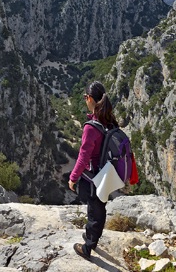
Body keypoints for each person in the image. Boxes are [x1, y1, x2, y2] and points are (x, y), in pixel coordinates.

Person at [69, 81, 118, 260]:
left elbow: (83, 156)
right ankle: (92, 236)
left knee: (94, 209)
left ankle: (88, 246)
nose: (84, 100)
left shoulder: (91, 127)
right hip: (108, 173)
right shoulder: (109, 121)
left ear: (89, 99)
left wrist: (73, 178)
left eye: (84, 97)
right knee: (99, 207)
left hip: (95, 175)